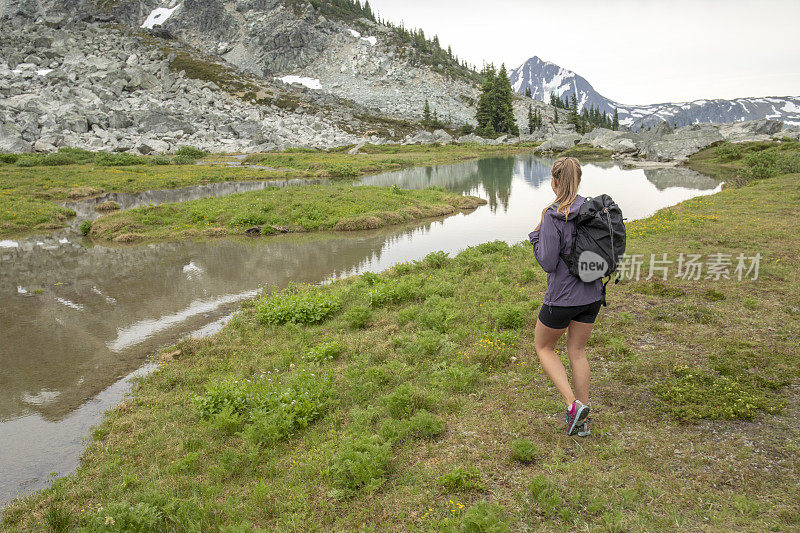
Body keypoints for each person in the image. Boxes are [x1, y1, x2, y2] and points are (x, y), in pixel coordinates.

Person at [528, 157, 602, 437]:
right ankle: (583, 417)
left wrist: (535, 238)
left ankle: (573, 407)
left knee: (544, 347)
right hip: (592, 294)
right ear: (579, 180)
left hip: (561, 297)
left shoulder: (553, 214)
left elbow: (547, 262)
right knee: (578, 352)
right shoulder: (593, 209)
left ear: (555, 181)